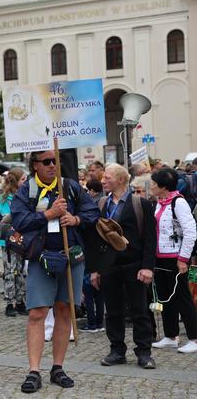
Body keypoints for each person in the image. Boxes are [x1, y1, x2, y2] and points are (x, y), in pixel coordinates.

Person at [11, 150, 98, 393]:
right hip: (42, 259)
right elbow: (19, 221)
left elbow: (93, 213)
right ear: (35, 165)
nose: (52, 166)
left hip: (72, 258)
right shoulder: (26, 190)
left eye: (55, 161)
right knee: (37, 312)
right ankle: (34, 370)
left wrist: (76, 220)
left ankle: (57, 368)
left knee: (64, 310)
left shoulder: (70, 187)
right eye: (47, 162)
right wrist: (48, 214)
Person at [87, 165, 156, 368]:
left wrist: (148, 267)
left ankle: (144, 352)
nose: (103, 181)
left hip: (135, 265)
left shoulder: (140, 204)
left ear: (120, 180)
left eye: (107, 177)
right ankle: (117, 350)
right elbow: (94, 241)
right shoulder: (100, 204)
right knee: (113, 311)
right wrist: (94, 269)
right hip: (108, 267)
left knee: (140, 311)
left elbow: (150, 239)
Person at [149, 167, 197, 353]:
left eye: (154, 183)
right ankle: (171, 335)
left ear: (163, 186)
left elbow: (191, 232)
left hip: (175, 258)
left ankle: (193, 336)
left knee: (182, 297)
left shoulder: (179, 203)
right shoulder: (160, 203)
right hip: (159, 257)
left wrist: (183, 258)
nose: (151, 186)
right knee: (164, 298)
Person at [0, 168, 27, 316]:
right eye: (23, 180)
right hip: (8, 238)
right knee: (9, 270)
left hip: (22, 237)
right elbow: (5, 219)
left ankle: (20, 301)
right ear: (16, 181)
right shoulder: (4, 199)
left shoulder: (25, 196)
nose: (26, 182)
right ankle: (10, 302)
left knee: (20, 270)